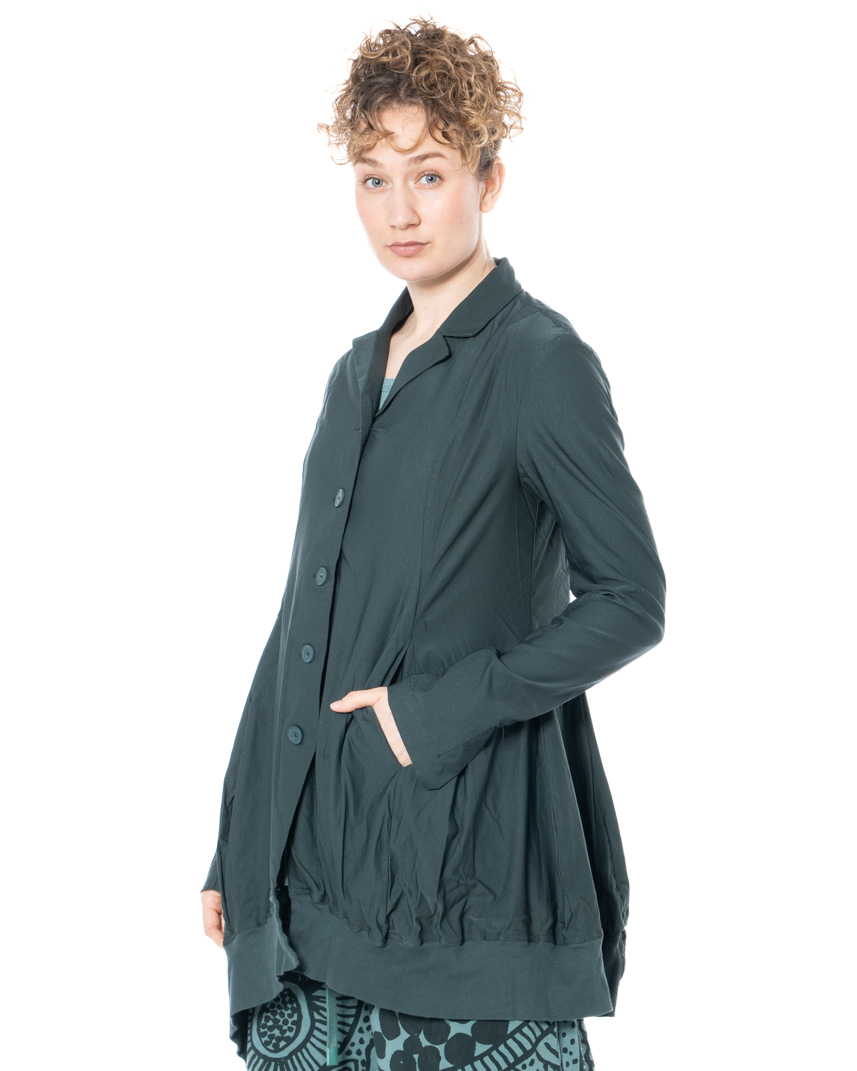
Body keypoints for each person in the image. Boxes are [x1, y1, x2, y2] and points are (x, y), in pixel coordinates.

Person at [200, 16, 665, 1070]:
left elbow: (630, 600)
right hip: (309, 872)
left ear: (488, 180)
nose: (399, 212)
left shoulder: (540, 361)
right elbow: (302, 618)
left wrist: (433, 713)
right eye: (373, 179)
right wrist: (237, 835)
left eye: (429, 174)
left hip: (461, 877)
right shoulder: (352, 374)